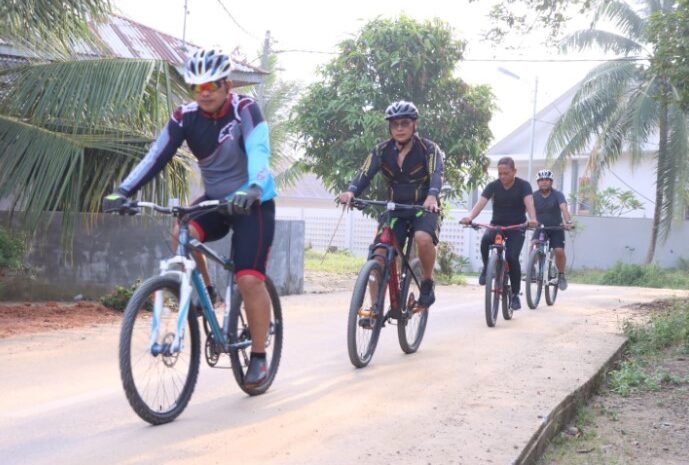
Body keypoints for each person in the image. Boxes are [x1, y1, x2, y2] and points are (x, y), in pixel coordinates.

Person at [103, 48, 276, 389]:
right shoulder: (185, 116)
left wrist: (254, 186)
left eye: (212, 84)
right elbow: (156, 155)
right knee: (182, 230)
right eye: (198, 87)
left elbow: (259, 151)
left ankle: (258, 356)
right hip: (214, 199)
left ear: (227, 84)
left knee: (249, 280)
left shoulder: (245, 109)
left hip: (252, 202)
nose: (205, 92)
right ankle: (207, 293)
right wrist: (123, 190)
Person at [338, 100, 444, 309]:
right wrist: (351, 191)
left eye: (405, 123)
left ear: (415, 125)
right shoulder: (381, 151)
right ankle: (375, 307)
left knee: (423, 238)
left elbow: (437, 174)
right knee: (378, 256)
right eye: (395, 124)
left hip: (424, 209)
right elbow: (364, 173)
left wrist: (432, 196)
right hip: (395, 209)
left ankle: (427, 282)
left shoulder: (429, 149)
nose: (400, 128)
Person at [460, 157, 538, 310]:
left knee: (511, 257)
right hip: (497, 225)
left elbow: (529, 203)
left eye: (506, 173)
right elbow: (480, 204)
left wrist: (533, 219)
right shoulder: (493, 186)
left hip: (517, 227)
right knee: (485, 240)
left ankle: (515, 295)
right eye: (500, 173)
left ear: (514, 171)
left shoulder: (524, 186)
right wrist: (469, 217)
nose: (502, 177)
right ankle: (485, 268)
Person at [532, 169, 573, 290]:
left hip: (556, 228)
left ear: (551, 182)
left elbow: (564, 209)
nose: (544, 182)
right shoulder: (533, 196)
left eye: (547, 180)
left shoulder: (558, 195)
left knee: (559, 251)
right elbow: (525, 209)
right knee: (533, 245)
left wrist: (568, 222)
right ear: (538, 182)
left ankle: (561, 275)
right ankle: (532, 270)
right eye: (541, 180)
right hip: (541, 228)